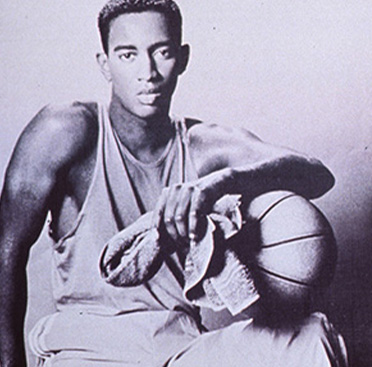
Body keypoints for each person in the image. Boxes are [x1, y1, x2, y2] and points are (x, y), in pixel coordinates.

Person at [0, 0, 347, 366]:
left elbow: (317, 175)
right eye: (128, 55)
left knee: (311, 336)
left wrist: (217, 183)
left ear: (182, 58)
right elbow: (6, 251)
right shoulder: (66, 129)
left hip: (181, 348)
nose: (147, 72)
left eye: (161, 52)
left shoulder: (202, 145)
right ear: (105, 64)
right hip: (89, 349)